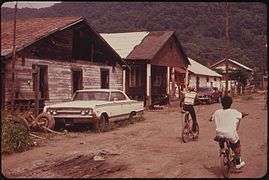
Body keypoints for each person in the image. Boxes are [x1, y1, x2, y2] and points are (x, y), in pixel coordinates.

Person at [209, 96, 248, 169]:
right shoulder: (234, 112)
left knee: (221, 138)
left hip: (219, 134)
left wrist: (212, 118)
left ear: (221, 103)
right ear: (231, 103)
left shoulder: (217, 112)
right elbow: (241, 115)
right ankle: (238, 163)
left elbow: (211, 118)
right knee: (237, 144)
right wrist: (244, 114)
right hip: (230, 134)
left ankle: (222, 150)